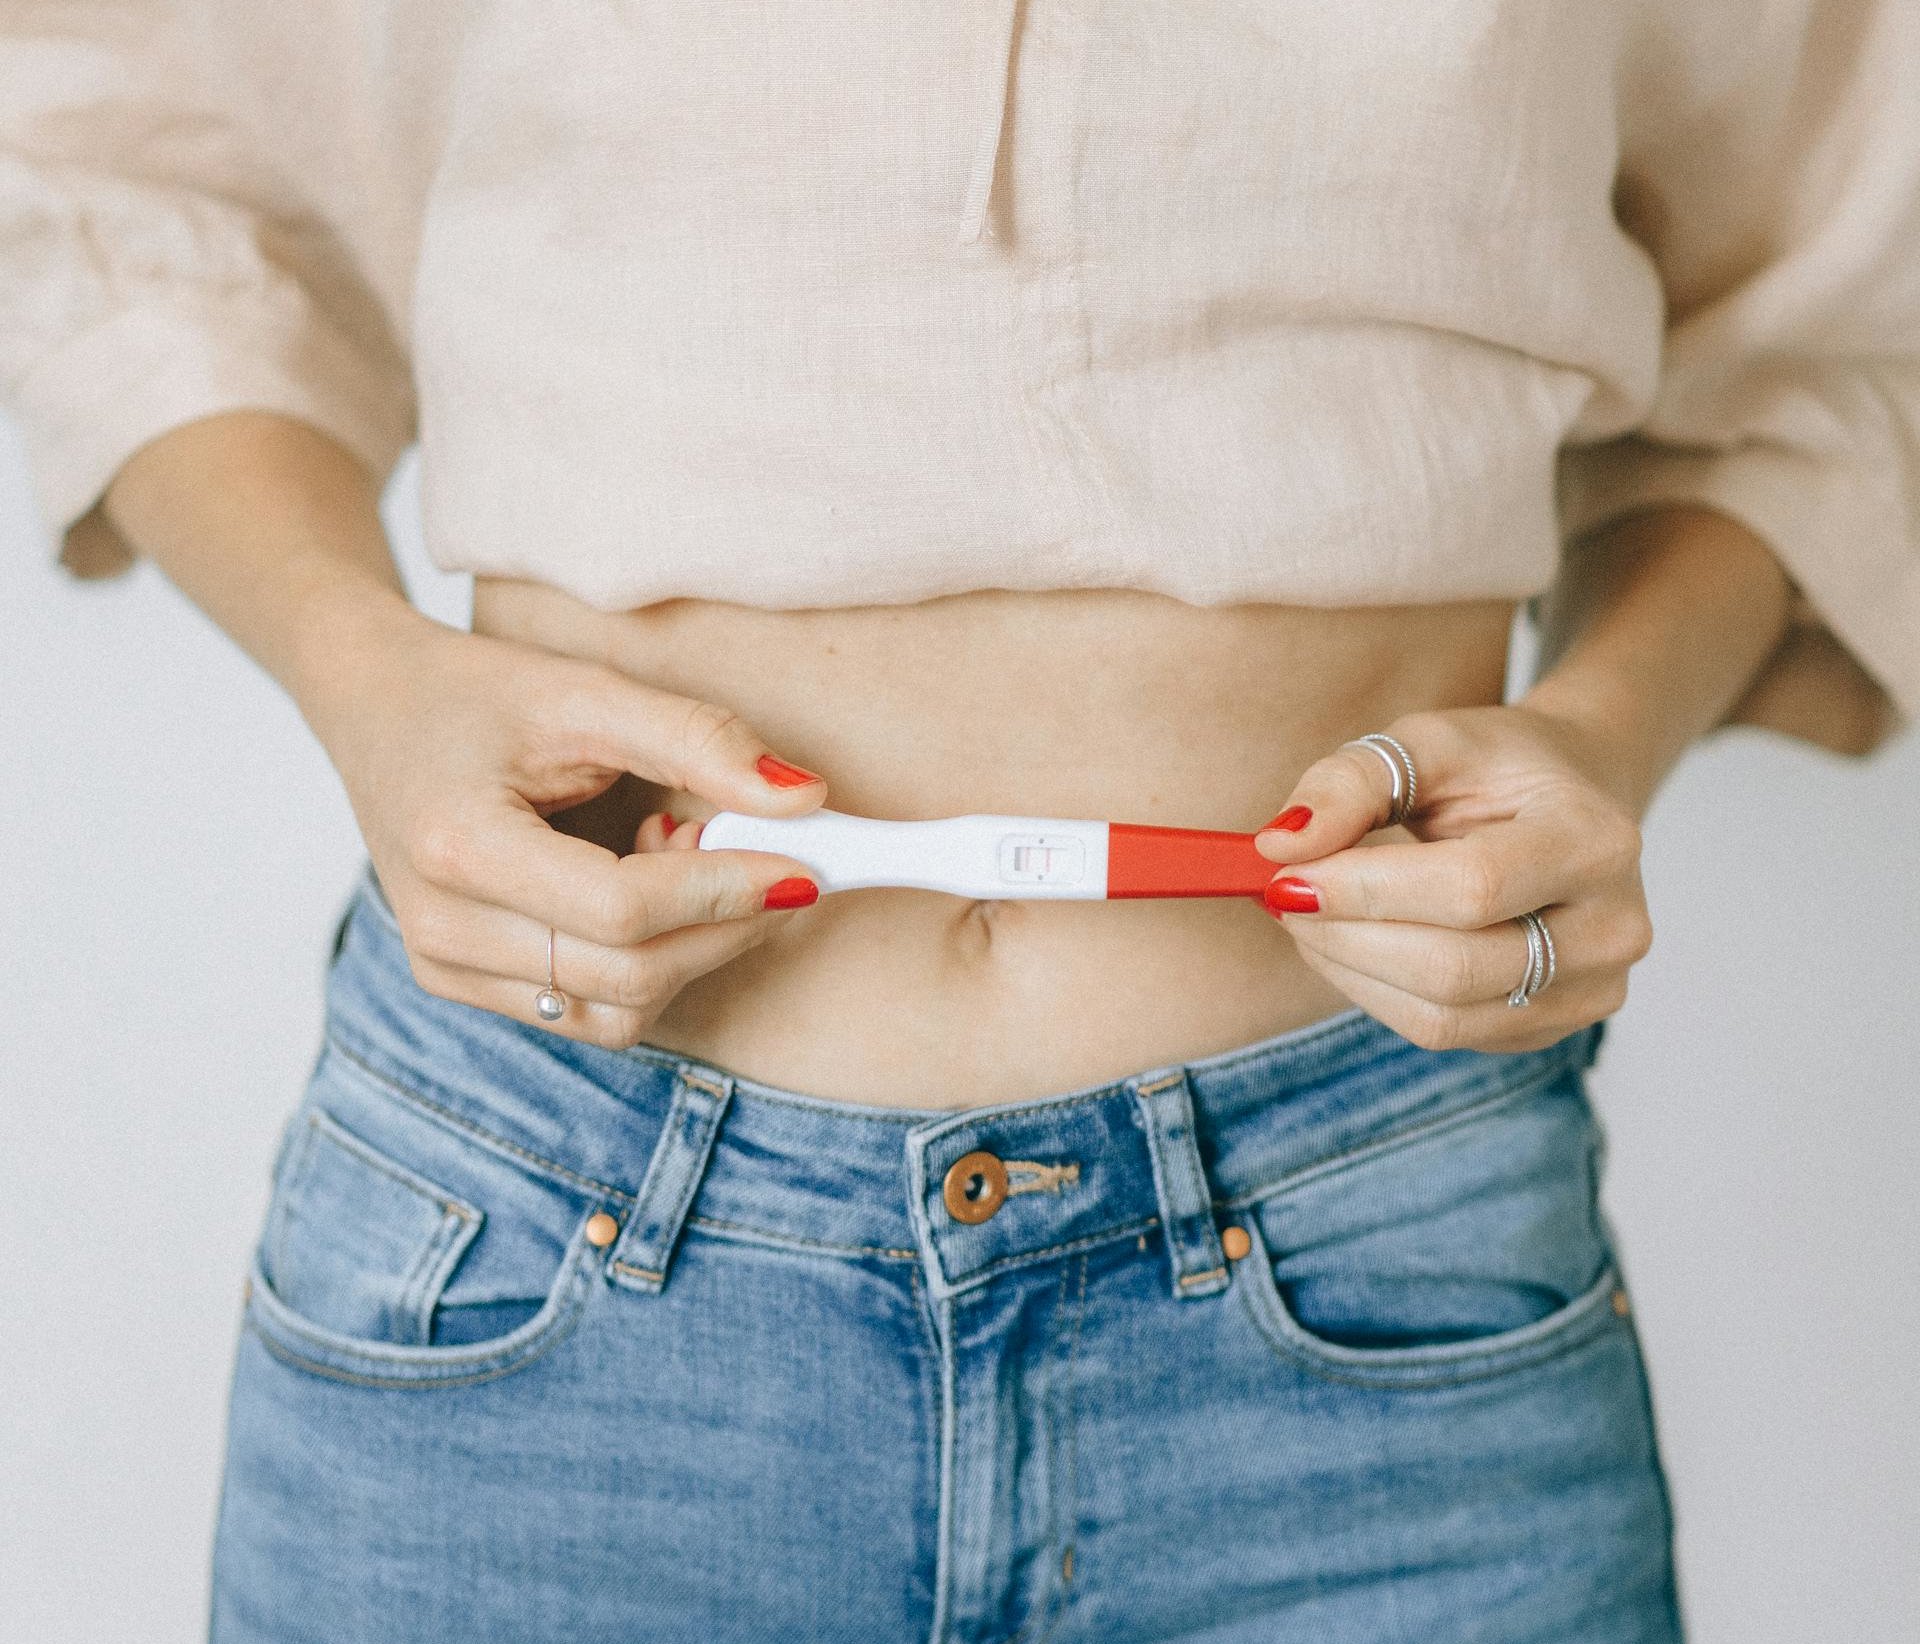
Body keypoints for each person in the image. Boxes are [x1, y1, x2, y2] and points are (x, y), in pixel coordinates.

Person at [5, 4, 1915, 1640]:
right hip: (539, 1251)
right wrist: (370, 680)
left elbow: (1833, 298)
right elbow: (133, 156)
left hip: (1381, 1256)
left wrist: (1606, 727)